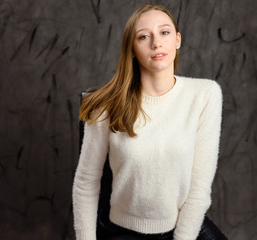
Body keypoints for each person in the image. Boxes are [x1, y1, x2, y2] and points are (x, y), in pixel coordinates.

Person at [72, 3, 224, 240]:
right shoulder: (105, 105)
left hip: (185, 227)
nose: (156, 43)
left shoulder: (205, 95)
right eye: (143, 37)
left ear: (177, 40)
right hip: (123, 232)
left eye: (164, 32)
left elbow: (199, 190)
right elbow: (86, 182)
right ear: (132, 48)